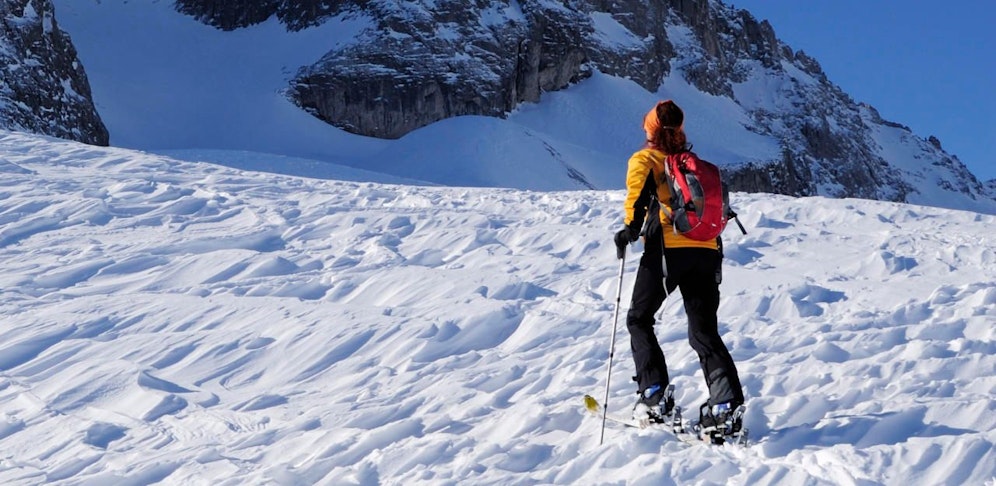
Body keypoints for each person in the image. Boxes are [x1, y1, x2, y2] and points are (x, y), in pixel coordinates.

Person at [613, 99, 744, 431]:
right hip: (708, 249)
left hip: (669, 250)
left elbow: (638, 198)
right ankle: (725, 405)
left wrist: (629, 230)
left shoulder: (647, 159)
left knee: (639, 319)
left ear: (651, 130)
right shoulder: (692, 164)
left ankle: (654, 394)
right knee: (703, 331)